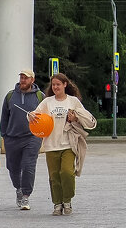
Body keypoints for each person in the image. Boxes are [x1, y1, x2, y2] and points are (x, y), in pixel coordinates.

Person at [32, 73, 96, 216]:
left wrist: (75, 118)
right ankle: (57, 203)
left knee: (67, 172)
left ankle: (67, 200)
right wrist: (30, 116)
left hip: (68, 143)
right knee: (54, 176)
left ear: (65, 85)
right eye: (53, 85)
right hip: (51, 144)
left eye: (58, 85)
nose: (55, 87)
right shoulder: (47, 102)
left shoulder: (73, 101)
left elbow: (85, 118)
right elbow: (35, 115)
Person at [0, 68, 44, 210]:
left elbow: (46, 116)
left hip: (32, 137)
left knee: (28, 165)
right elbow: (4, 117)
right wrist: (4, 135)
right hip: (12, 137)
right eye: (21, 77)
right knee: (13, 167)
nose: (23, 80)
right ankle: (18, 188)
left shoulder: (40, 96)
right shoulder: (10, 96)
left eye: (26, 78)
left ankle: (25, 195)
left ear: (32, 80)